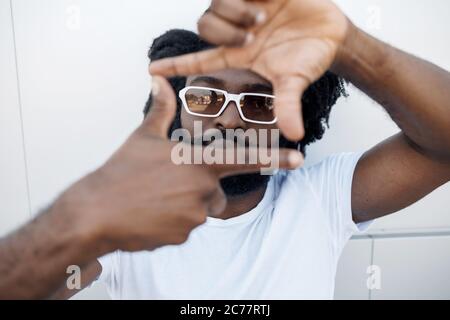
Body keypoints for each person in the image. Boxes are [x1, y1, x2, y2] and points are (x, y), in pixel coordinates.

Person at [1, 0, 449, 299]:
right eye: (205, 97)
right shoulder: (124, 221)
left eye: (257, 102)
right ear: (175, 111)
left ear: (291, 125)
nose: (229, 120)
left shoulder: (320, 198)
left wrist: (350, 47)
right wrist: (81, 221)